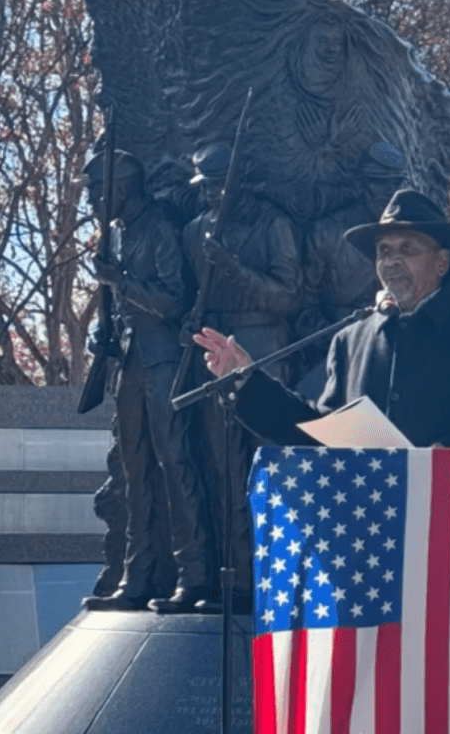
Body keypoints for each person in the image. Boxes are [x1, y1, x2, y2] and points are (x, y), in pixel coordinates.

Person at [193, 188, 450, 470]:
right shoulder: (351, 340)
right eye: (383, 251)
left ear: (442, 262)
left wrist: (449, 453)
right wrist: (246, 382)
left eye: (408, 248)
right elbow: (323, 433)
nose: (391, 260)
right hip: (372, 533)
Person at [81, 151, 213, 613]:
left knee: (175, 464)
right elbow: (124, 307)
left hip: (163, 360)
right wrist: (107, 334)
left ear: (123, 187)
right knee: (134, 473)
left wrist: (120, 281)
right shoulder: (115, 235)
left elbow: (175, 300)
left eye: (99, 189)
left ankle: (194, 575)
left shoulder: (158, 226)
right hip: (132, 364)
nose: (94, 199)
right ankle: (135, 577)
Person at [181, 142, 303, 612]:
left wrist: (234, 269)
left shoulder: (274, 226)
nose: (211, 195)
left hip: (264, 348)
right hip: (215, 353)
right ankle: (233, 579)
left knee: (268, 467)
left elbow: (287, 296)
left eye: (219, 185)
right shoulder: (197, 231)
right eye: (205, 186)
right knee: (224, 467)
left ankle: (278, 577)